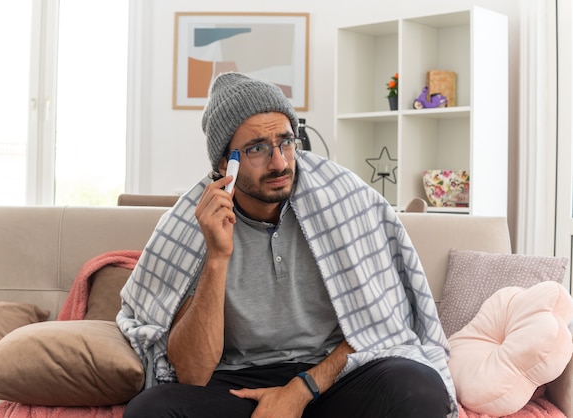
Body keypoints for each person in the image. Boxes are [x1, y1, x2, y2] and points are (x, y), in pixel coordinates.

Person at [118, 72, 458, 418]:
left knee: (418, 386)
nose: (279, 162)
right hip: (238, 383)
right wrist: (217, 256)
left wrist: (301, 389)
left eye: (286, 142)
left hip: (334, 376)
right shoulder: (191, 226)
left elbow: (377, 325)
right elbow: (192, 373)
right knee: (150, 411)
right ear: (224, 163)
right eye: (257, 149)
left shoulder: (343, 200)